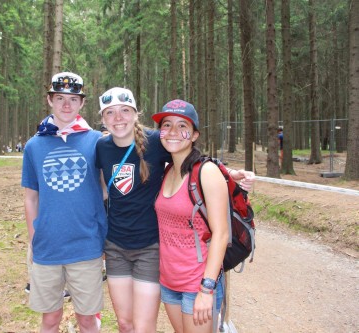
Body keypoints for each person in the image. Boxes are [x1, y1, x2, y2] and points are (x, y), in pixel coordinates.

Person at [95, 88, 255, 332]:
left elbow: (200, 162)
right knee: (126, 324)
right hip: (144, 262)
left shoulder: (161, 146)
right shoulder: (104, 148)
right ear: (103, 118)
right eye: (110, 112)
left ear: (136, 114)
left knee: (144, 326)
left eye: (125, 110)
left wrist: (231, 174)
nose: (118, 118)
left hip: (164, 258)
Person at [22, 72, 106, 333]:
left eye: (73, 99)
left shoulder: (97, 141)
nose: (66, 105)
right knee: (50, 319)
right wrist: (35, 238)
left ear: (82, 103)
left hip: (86, 245)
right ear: (50, 100)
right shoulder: (34, 146)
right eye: (60, 98)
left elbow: (109, 189)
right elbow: (30, 197)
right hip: (48, 246)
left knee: (87, 319)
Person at [152, 99, 229, 333]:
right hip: (168, 280)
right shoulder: (166, 171)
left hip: (198, 282)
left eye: (182, 125)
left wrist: (207, 289)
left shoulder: (206, 172)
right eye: (167, 125)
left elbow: (221, 233)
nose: (173, 132)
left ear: (194, 135)